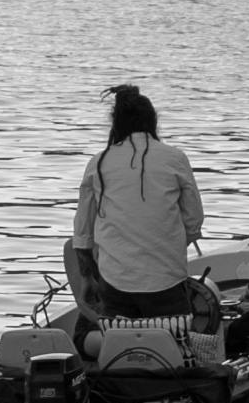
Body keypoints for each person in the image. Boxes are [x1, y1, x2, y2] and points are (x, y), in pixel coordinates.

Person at [67, 84, 222, 339]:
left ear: (115, 124)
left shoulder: (99, 163)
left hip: (115, 284)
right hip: (167, 283)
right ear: (153, 122)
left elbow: (82, 233)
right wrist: (165, 246)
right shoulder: (175, 159)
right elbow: (194, 220)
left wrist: (86, 280)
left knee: (113, 341)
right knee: (175, 343)